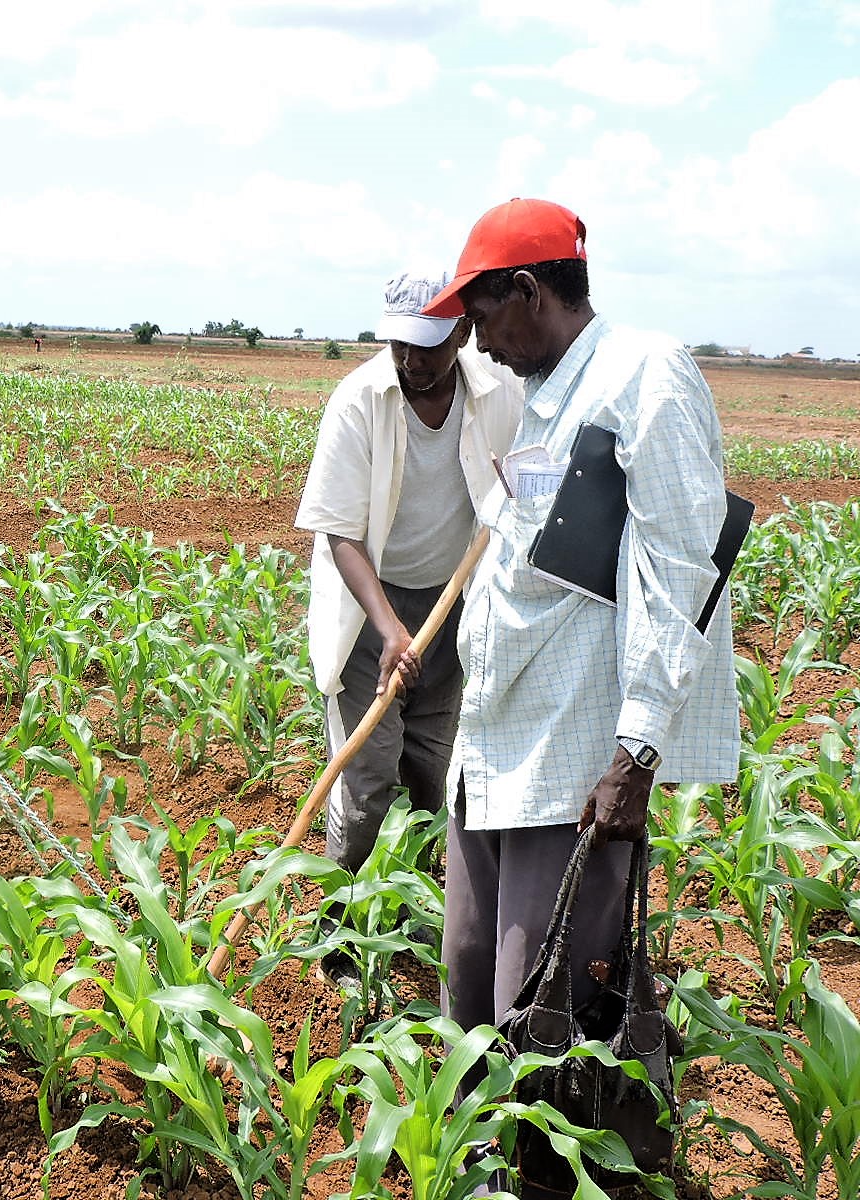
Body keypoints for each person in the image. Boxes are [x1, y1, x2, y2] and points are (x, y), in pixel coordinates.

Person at [420, 200, 737, 1191]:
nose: (474, 341)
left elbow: (680, 569)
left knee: (546, 1011)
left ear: (528, 290)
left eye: (480, 314)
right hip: (494, 750)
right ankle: (485, 1172)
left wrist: (635, 755)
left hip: (575, 763)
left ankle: (557, 1179)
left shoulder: (644, 373)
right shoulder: (544, 394)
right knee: (472, 987)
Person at [295, 269, 521, 876]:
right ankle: (344, 918)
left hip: (451, 606)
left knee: (430, 773)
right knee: (367, 782)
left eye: (427, 346)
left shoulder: (498, 388)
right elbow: (341, 531)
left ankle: (413, 910)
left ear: (462, 332)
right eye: (400, 344)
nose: (411, 360)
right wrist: (390, 629)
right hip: (371, 609)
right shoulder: (360, 400)